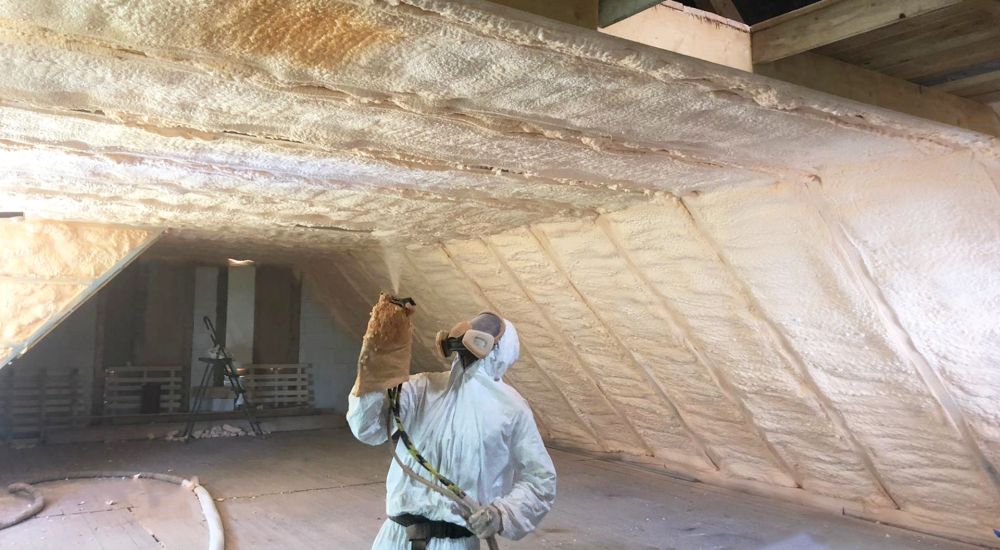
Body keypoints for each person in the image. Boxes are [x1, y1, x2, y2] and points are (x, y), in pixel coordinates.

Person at [348, 311, 557, 549]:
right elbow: (367, 428)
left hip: (455, 543)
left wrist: (502, 515)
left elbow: (541, 480)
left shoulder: (512, 409)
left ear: (499, 350)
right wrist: (374, 375)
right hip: (396, 538)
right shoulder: (422, 388)